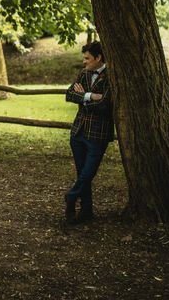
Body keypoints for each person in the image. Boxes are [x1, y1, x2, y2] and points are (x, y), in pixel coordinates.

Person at [64, 41, 114, 224]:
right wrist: (90, 96)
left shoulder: (112, 76)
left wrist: (82, 97)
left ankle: (71, 196)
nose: (84, 62)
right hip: (78, 132)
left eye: (87, 58)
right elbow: (69, 94)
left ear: (98, 58)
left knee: (88, 173)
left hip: (98, 134)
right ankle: (86, 212)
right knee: (82, 174)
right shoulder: (84, 73)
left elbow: (105, 105)